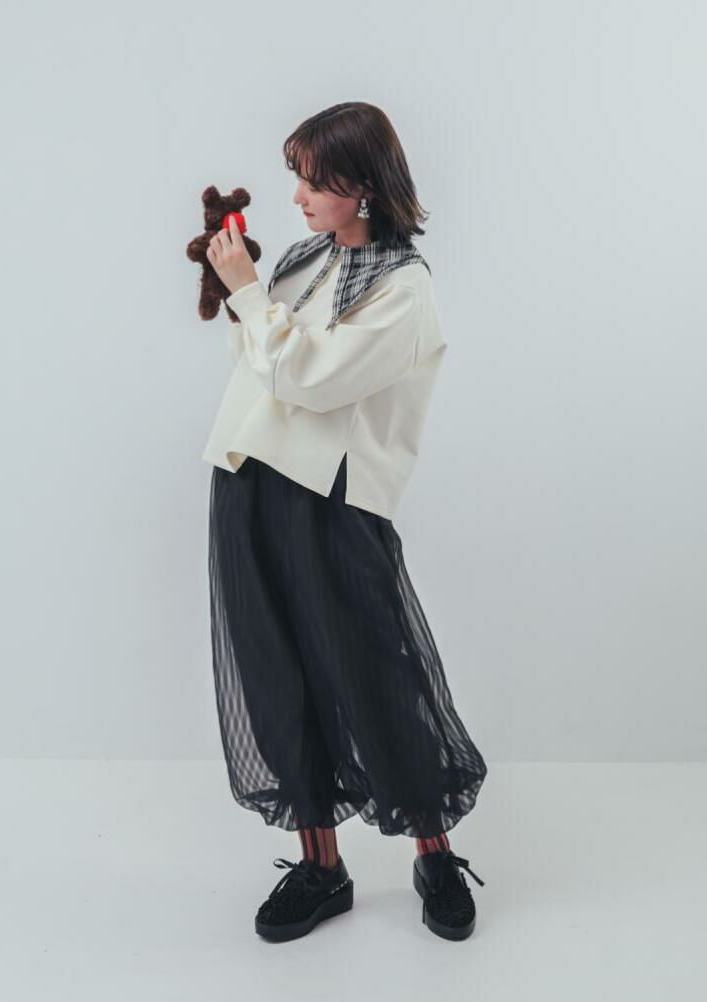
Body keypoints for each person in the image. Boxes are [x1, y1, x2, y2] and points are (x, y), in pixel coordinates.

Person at [202, 102, 488, 942]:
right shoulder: (304, 259)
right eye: (295, 177)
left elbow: (312, 380)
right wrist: (246, 299)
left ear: (361, 186)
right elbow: (259, 362)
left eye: (312, 180)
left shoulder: (403, 288)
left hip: (329, 499)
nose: (296, 196)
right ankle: (321, 867)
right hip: (247, 479)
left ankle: (434, 854)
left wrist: (249, 295)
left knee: (375, 675)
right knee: (274, 673)